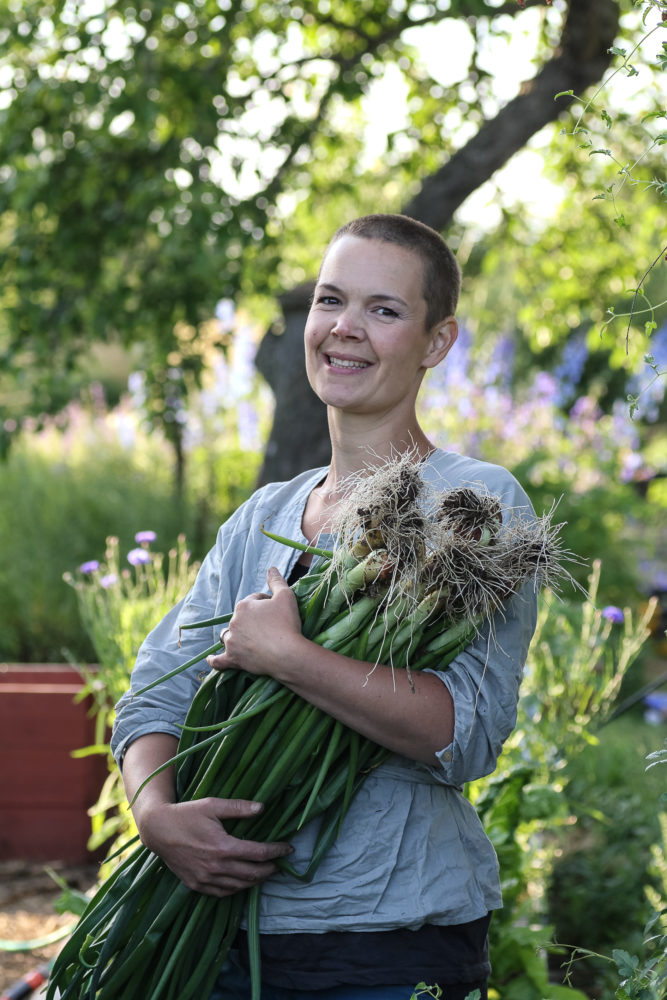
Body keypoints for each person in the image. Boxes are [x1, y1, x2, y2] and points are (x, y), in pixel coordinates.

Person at [111, 214, 538, 1000]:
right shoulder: (263, 515)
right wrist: (154, 815)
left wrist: (288, 657)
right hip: (218, 938)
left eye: (383, 310)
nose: (343, 328)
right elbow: (155, 692)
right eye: (329, 300)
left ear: (436, 342)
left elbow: (463, 733)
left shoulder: (472, 502)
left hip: (387, 942)